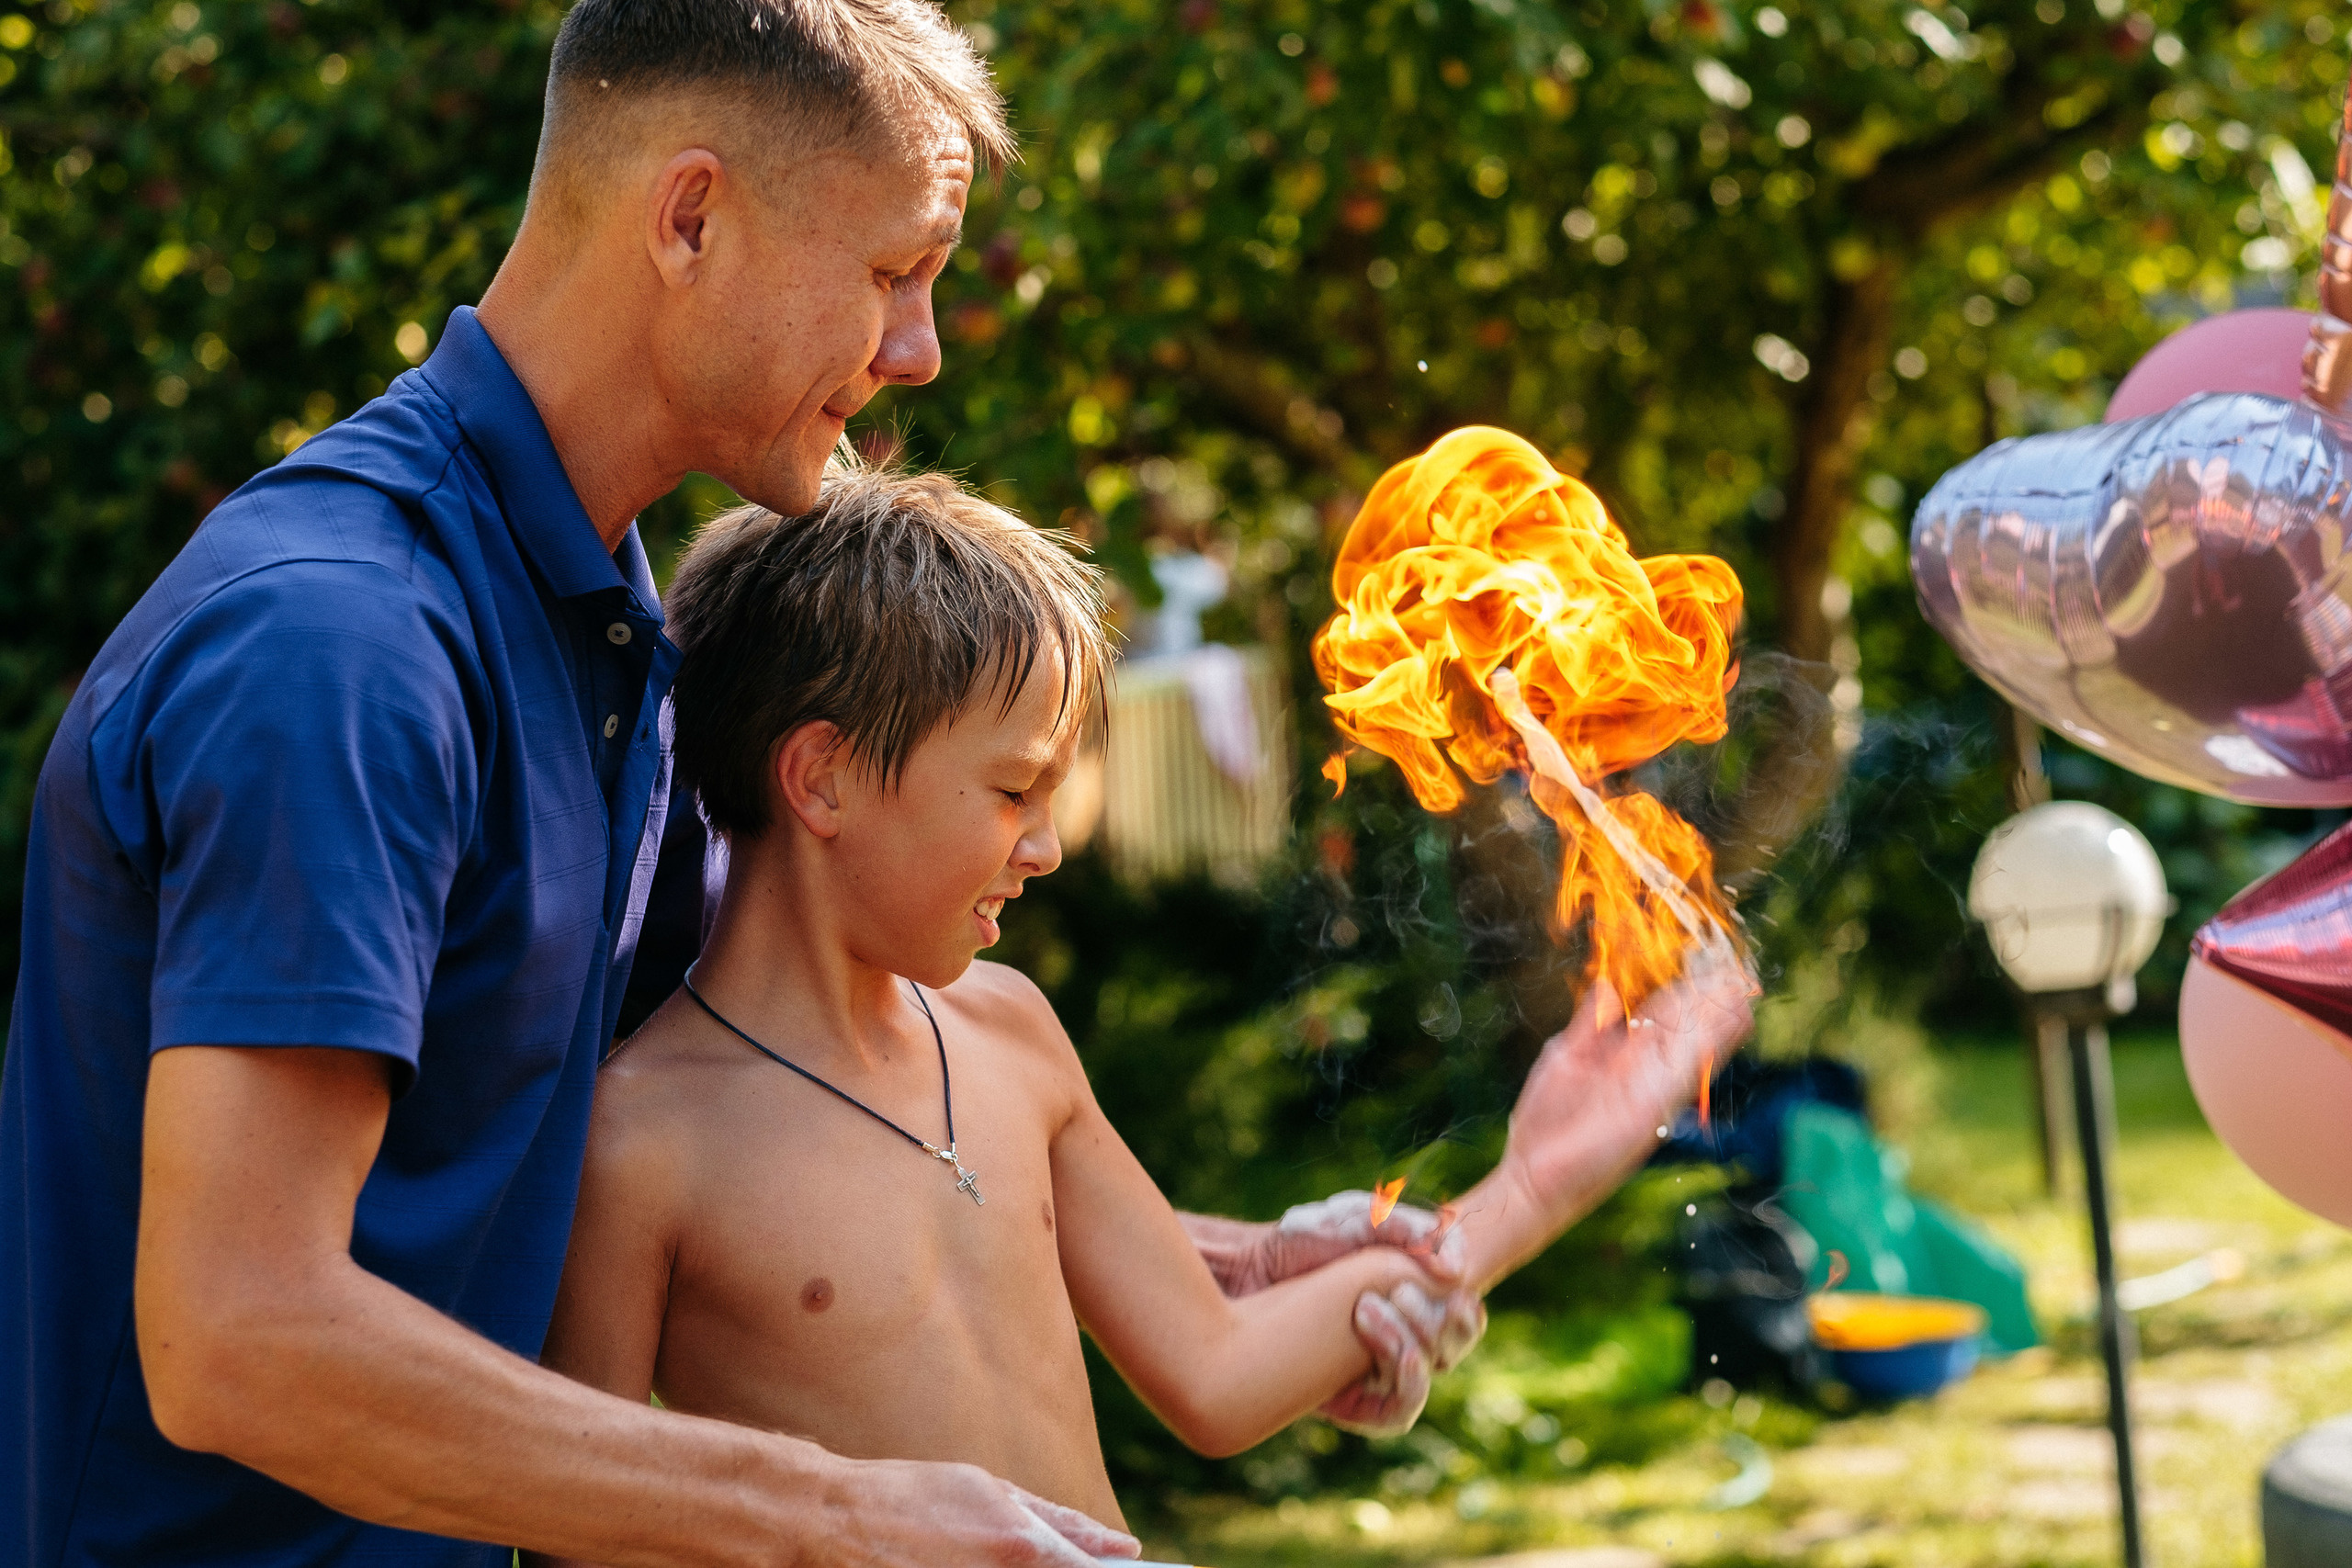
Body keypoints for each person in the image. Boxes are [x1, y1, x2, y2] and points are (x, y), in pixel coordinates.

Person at [0, 4, 1611, 1564]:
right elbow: (237, 1336)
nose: (915, 353)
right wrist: (841, 1515)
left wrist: (1234, 1263)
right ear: (691, 216)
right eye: (896, 273)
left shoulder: (601, 633)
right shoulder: (342, 648)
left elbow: (792, 1161)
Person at [532, 467, 1759, 1551]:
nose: (1049, 847)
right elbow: (582, 1530)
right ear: (824, 777)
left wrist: (1537, 1182)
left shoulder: (1012, 1037)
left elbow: (1219, 1372)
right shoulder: (640, 1145)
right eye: (1015, 790)